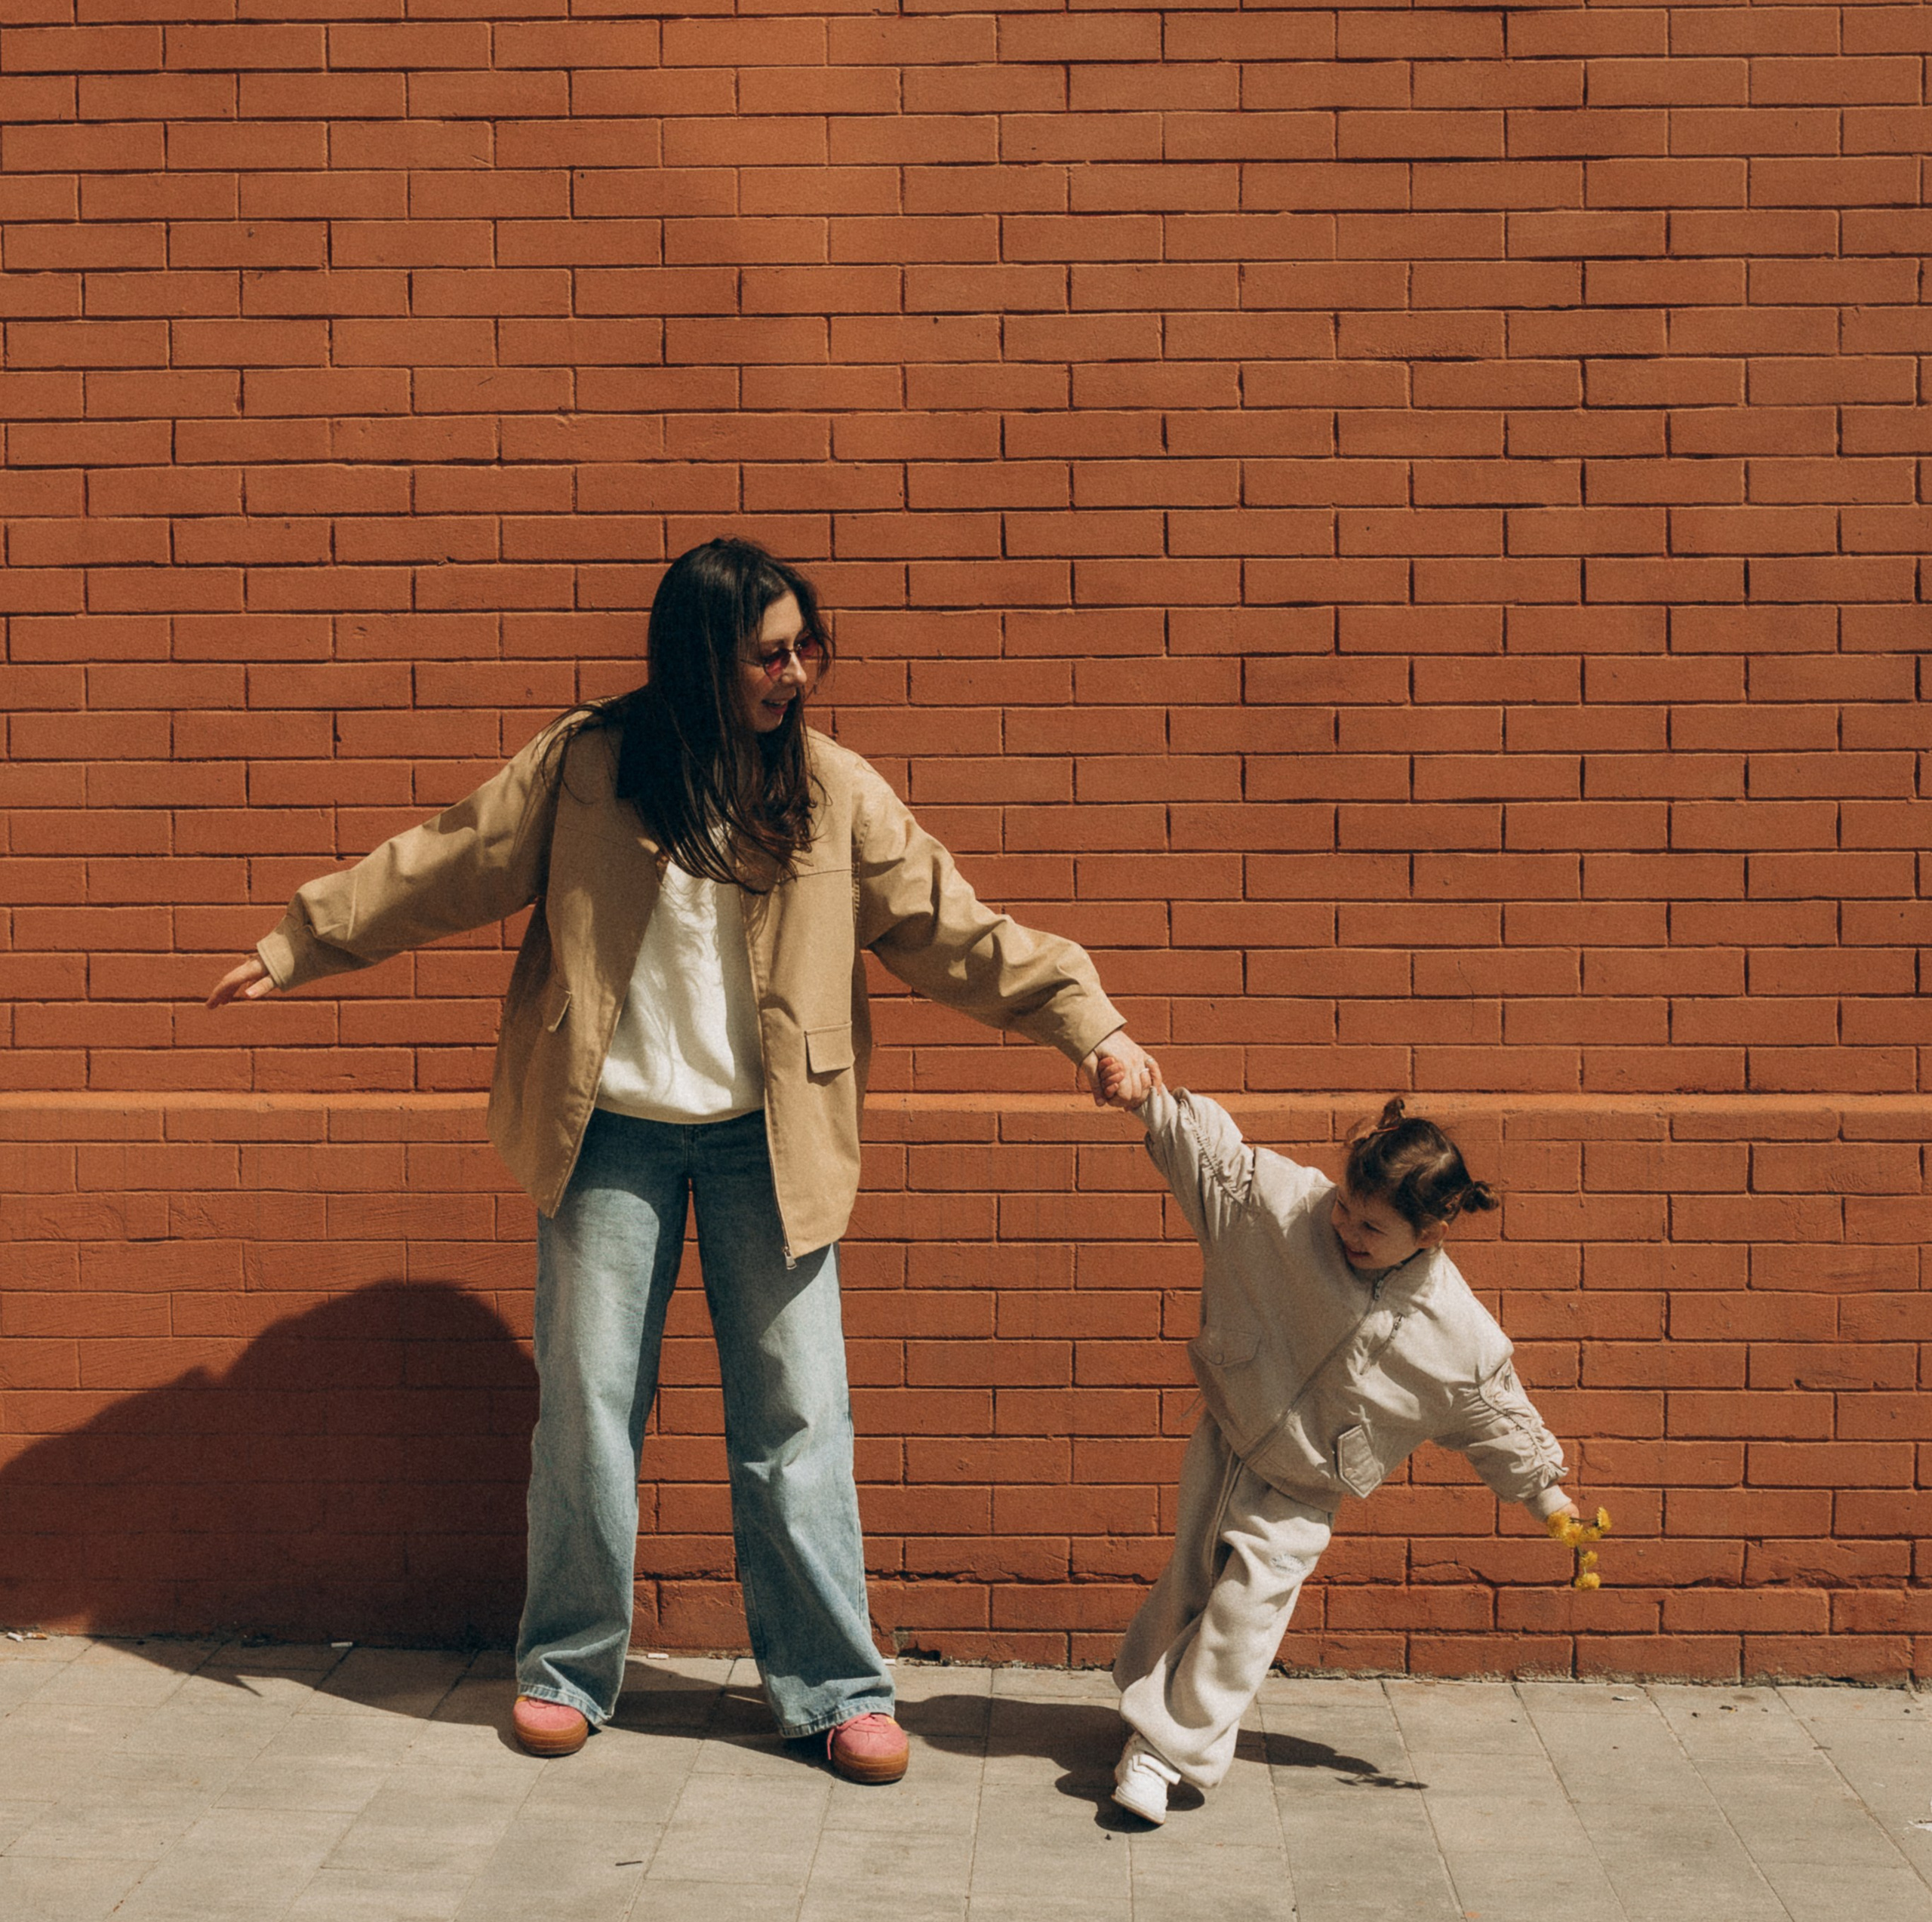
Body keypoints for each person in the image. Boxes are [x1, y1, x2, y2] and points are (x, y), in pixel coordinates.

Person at [208, 538, 1158, 1785]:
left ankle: (833, 1691)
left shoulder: (832, 790)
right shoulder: (590, 768)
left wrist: (1089, 1021)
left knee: (797, 1417)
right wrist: (302, 943)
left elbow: (955, 930)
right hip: (608, 1131)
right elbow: (449, 859)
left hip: (775, 1143)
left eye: (807, 649)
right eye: (770, 652)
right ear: (703, 658)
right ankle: (564, 1670)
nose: (795, 674)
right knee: (590, 1415)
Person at [1093, 1074, 1579, 1825]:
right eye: (1347, 1208)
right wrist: (1146, 1100)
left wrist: (1546, 1496)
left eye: (1371, 1228)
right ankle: (1146, 1699)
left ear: (1431, 1233)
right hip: (1229, 1427)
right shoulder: (1288, 1208)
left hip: (1305, 1482)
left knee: (1242, 1619)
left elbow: (1494, 1413)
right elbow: (1213, 1160)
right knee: (1190, 1583)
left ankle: (1162, 1756)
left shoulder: (1451, 1330)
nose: (1347, 1230)